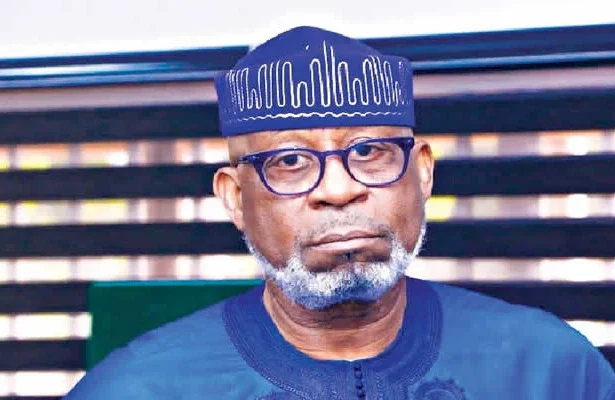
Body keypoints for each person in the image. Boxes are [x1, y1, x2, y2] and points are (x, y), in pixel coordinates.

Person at [63, 26, 615, 400]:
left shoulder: (552, 370)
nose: (339, 189)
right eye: (289, 161)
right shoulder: (137, 388)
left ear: (422, 173)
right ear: (234, 198)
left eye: (370, 152)